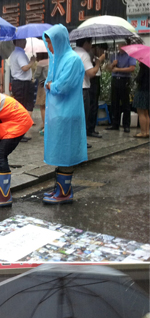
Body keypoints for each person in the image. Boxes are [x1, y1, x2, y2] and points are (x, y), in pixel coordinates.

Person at [42, 24, 87, 204]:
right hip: (59, 114)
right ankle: (60, 190)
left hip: (68, 114)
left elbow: (62, 86)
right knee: (61, 153)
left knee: (66, 154)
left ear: (59, 40)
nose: (49, 47)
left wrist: (51, 86)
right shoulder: (57, 59)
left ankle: (65, 192)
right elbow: (50, 81)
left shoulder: (72, 60)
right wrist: (51, 84)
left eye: (51, 43)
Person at [74, 38, 105, 137]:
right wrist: (98, 63)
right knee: (84, 115)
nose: (91, 45)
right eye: (90, 43)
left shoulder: (73, 52)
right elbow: (91, 73)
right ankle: (82, 139)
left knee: (77, 115)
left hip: (75, 87)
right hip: (84, 88)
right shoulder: (84, 55)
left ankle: (77, 138)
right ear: (85, 43)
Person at [105, 43, 137, 133]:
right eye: (119, 46)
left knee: (125, 103)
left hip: (124, 79)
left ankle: (126, 125)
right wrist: (112, 65)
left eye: (122, 46)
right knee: (114, 102)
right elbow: (108, 68)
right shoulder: (115, 56)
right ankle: (115, 124)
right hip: (115, 79)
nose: (120, 48)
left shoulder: (130, 55)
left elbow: (132, 68)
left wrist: (118, 69)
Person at [8, 38, 36, 137]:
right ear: (18, 42)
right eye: (23, 40)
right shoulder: (19, 53)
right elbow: (24, 68)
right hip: (21, 83)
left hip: (20, 82)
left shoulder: (16, 53)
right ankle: (19, 131)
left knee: (21, 106)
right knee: (21, 107)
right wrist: (32, 62)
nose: (25, 42)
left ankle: (20, 130)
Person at [87, 43, 106, 138]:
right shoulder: (89, 56)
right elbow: (93, 71)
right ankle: (90, 128)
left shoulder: (94, 55)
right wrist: (98, 62)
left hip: (96, 80)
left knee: (94, 104)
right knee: (92, 106)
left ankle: (92, 128)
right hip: (92, 81)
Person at [33, 52, 49, 134]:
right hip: (51, 85)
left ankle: (45, 127)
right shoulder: (52, 60)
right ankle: (45, 125)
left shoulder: (41, 63)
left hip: (43, 86)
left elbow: (37, 75)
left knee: (43, 106)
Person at [133, 62, 149, 138]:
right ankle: (147, 131)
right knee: (146, 113)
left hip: (142, 91)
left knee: (141, 112)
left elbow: (139, 79)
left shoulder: (144, 67)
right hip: (148, 91)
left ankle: (143, 132)